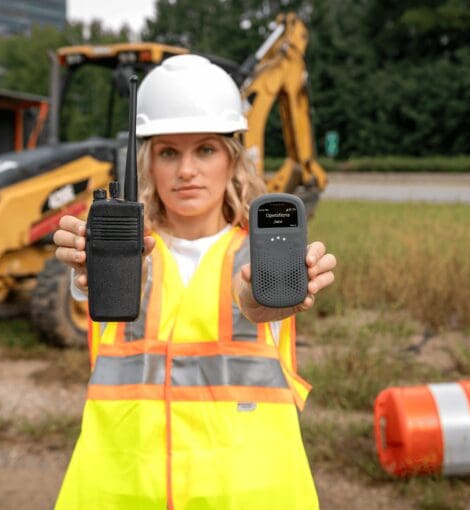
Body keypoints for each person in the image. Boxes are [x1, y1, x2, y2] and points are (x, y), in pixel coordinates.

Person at [52, 54, 336, 510]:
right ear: (148, 163)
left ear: (232, 159)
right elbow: (89, 287)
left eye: (205, 149)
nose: (186, 170)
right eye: (169, 152)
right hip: (120, 494)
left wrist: (261, 302)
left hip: (247, 497)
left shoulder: (262, 255)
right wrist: (87, 274)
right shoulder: (116, 252)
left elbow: (255, 305)